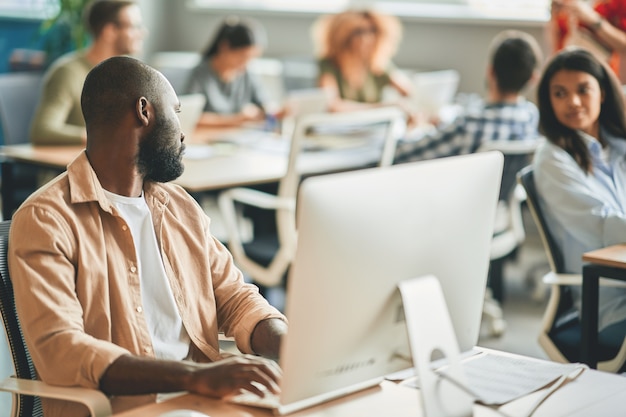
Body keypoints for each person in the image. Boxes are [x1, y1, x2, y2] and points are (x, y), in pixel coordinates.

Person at [9, 56, 288, 417]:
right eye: (176, 111)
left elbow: (234, 297)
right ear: (144, 111)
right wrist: (193, 377)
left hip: (201, 405)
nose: (183, 132)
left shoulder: (178, 206)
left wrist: (286, 344)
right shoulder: (46, 220)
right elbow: (63, 350)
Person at [533, 47, 626, 333]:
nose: (572, 102)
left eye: (583, 90)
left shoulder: (618, 146)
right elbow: (602, 225)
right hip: (612, 300)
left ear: (603, 93)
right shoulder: (552, 158)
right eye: (559, 94)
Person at [394, 30, 542, 168]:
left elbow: (401, 154)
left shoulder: (469, 125)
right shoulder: (531, 116)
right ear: (532, 79)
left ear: (490, 72)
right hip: (504, 196)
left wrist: (413, 127)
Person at [30, 0, 146, 145]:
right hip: (75, 163)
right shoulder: (67, 72)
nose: (143, 33)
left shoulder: (129, 74)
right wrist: (100, 136)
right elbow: (42, 130)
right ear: (109, 31)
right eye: (135, 26)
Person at [311, 8, 414, 113]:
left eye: (372, 30)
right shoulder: (329, 64)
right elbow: (332, 106)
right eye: (359, 32)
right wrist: (383, 107)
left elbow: (410, 92)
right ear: (344, 36)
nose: (367, 38)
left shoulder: (377, 63)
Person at [184, 16, 272, 127]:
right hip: (208, 136)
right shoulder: (200, 74)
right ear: (225, 47)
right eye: (242, 56)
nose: (246, 64)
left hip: (236, 135)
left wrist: (274, 113)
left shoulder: (246, 72)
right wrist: (236, 119)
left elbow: (264, 103)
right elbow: (191, 117)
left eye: (252, 58)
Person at [551, 0, 626, 82]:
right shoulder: (567, 2)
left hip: (600, 74)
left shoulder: (617, 3)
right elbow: (557, 36)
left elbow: (623, 45)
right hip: (566, 70)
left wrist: (594, 21)